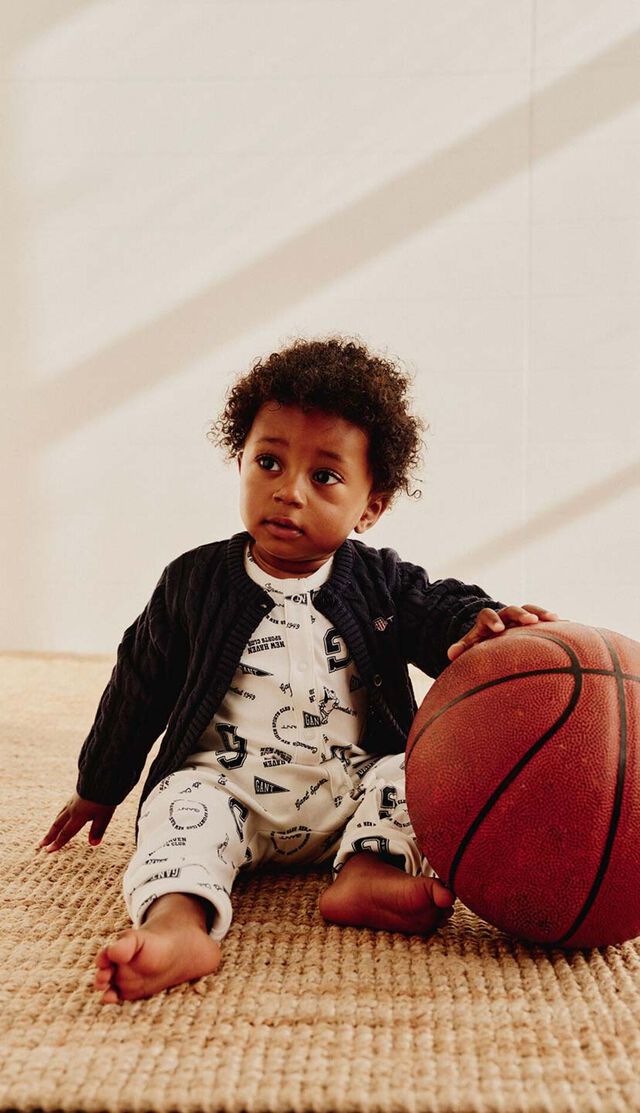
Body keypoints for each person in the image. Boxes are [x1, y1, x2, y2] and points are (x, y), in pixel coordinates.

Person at [38, 337, 558, 1004]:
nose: (289, 491)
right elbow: (139, 681)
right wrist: (100, 783)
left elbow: (437, 608)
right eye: (269, 462)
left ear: (370, 506)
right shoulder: (194, 581)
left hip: (351, 790)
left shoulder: (381, 581)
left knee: (416, 774)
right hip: (226, 791)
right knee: (177, 806)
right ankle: (178, 923)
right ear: (240, 462)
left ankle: (368, 869)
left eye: (325, 477)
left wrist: (476, 624)